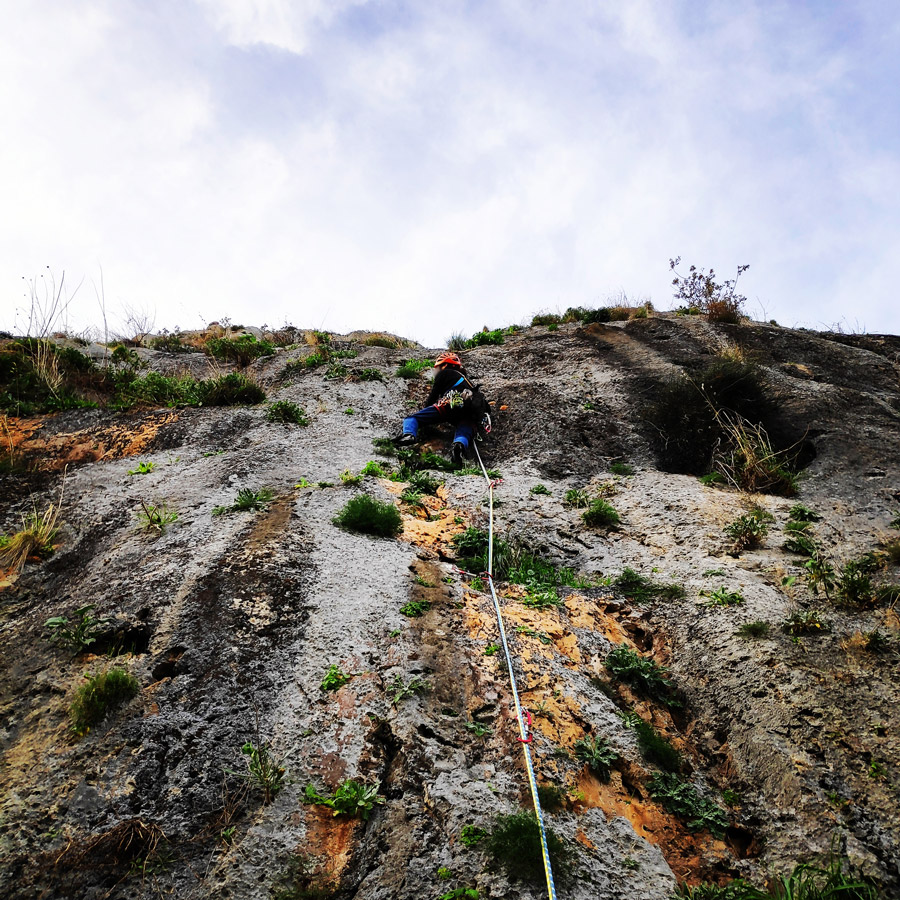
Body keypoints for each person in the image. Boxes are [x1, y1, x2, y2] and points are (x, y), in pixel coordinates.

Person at [395, 351, 490, 465]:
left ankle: (409, 435)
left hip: (451, 404)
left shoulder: (445, 374)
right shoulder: (469, 383)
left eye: (438, 368)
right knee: (464, 429)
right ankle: (459, 446)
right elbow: (486, 407)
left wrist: (426, 415)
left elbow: (433, 396)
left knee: (412, 419)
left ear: (444, 365)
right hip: (470, 411)